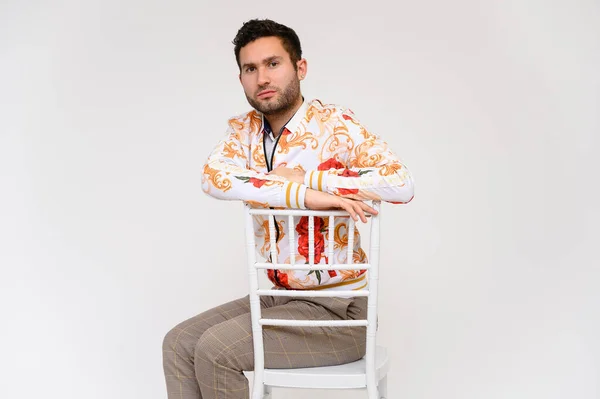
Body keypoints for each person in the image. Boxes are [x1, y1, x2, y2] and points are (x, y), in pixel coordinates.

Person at [162, 18, 414, 399]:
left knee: (216, 351)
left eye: (273, 64)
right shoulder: (245, 132)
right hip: (283, 299)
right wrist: (298, 194)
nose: (262, 77)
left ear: (300, 68)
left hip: (341, 313)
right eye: (251, 68)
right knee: (178, 342)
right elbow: (212, 177)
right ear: (242, 78)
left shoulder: (335, 125)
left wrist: (312, 179)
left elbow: (401, 183)